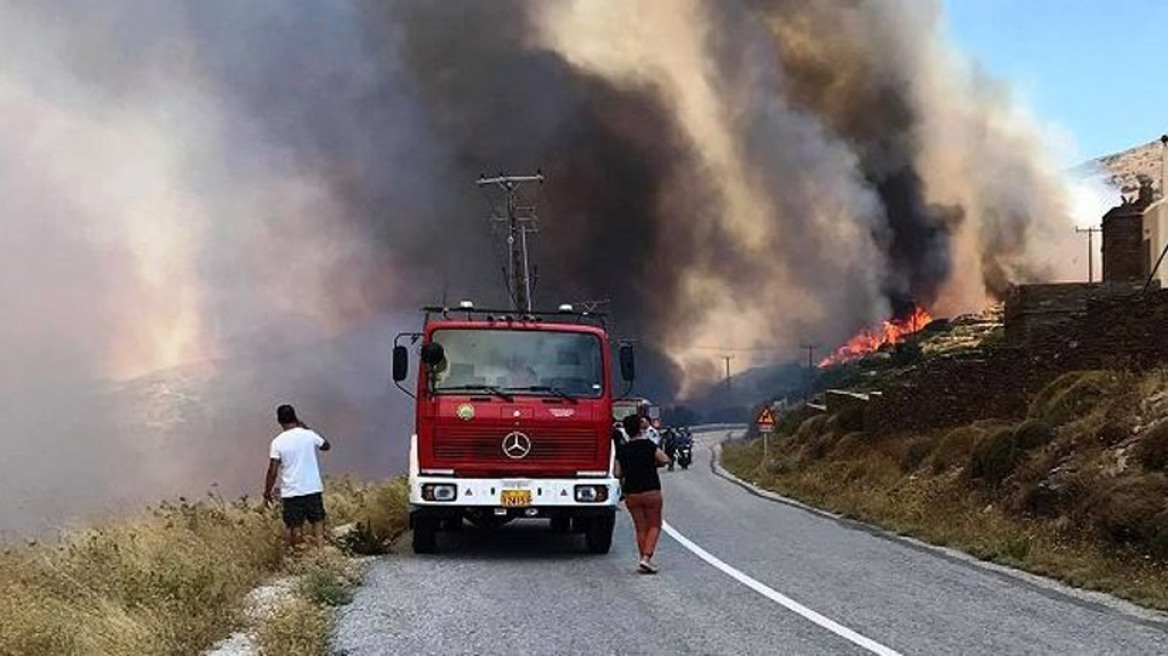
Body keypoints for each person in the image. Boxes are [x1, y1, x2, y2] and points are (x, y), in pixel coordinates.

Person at [264, 404, 331, 549]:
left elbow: (272, 471)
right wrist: (305, 428)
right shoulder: (309, 435)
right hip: (312, 487)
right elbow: (326, 446)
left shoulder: (277, 442)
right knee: (317, 521)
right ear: (295, 417)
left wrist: (267, 492)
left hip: (292, 491)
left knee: (295, 526)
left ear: (279, 421)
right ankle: (321, 554)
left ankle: (301, 558)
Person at [615, 414, 669, 574]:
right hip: (651, 489)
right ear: (640, 428)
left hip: (631, 492)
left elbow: (617, 472)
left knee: (640, 528)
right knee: (654, 525)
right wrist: (653, 464)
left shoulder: (622, 450)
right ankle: (646, 558)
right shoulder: (648, 445)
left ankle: (644, 560)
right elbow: (665, 459)